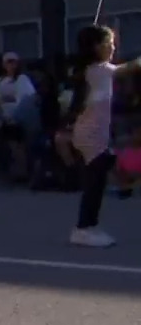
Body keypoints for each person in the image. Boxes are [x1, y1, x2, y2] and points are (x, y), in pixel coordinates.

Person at [65, 25, 139, 247]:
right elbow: (131, 69)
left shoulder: (89, 72)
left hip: (92, 134)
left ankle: (88, 225)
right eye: (109, 42)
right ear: (96, 47)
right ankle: (84, 228)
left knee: (100, 179)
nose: (113, 46)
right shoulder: (100, 72)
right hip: (92, 136)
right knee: (95, 183)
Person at [0, 52, 39, 179]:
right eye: (9, 62)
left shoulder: (22, 79)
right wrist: (1, 116)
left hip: (20, 118)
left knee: (15, 135)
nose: (12, 65)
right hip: (4, 118)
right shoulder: (0, 81)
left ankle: (22, 170)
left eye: (14, 62)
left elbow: (28, 99)